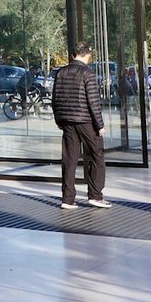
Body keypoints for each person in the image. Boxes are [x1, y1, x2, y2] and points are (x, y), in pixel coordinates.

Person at [51, 42, 109, 209]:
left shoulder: (61, 73)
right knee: (97, 155)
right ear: (87, 55)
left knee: (69, 159)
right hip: (86, 121)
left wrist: (59, 120)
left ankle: (67, 199)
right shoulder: (87, 74)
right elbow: (93, 102)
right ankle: (95, 195)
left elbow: (54, 100)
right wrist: (100, 125)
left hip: (67, 122)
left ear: (72, 55)